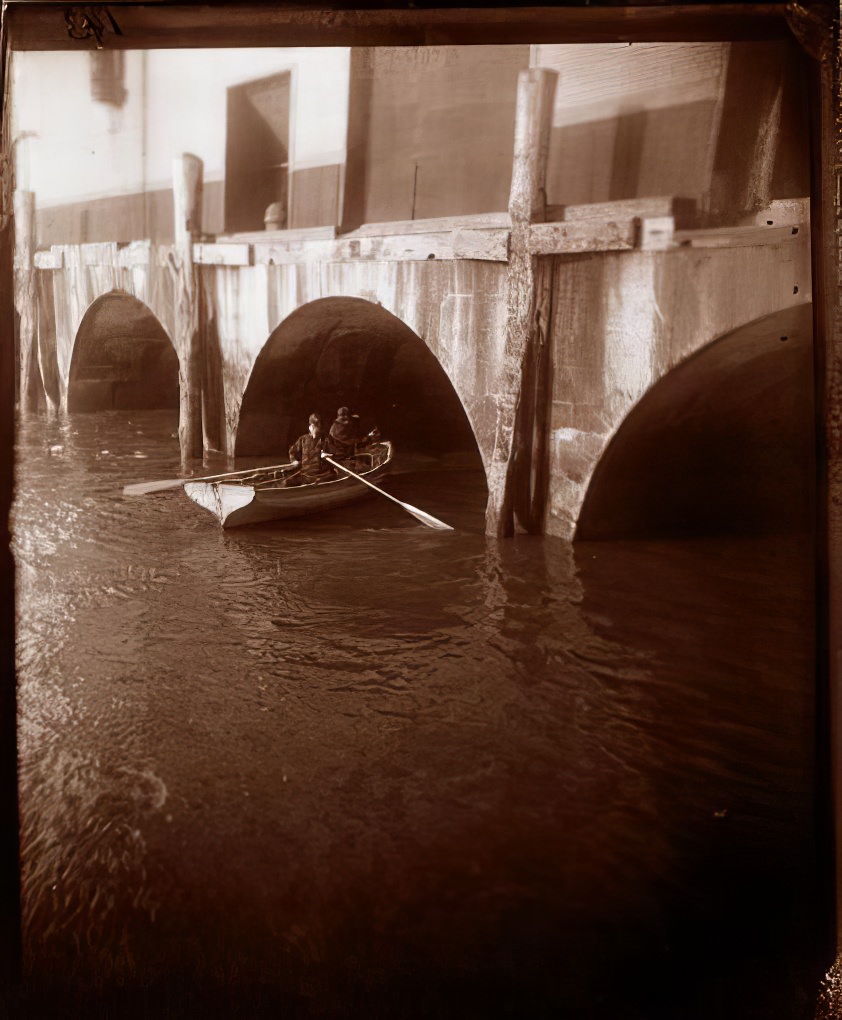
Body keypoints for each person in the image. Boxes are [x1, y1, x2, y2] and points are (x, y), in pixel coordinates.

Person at [288, 413, 332, 483]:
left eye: (318, 425)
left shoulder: (325, 439)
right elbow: (292, 451)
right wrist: (293, 461)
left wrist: (328, 455)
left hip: (320, 474)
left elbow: (334, 454)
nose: (316, 428)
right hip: (305, 473)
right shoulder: (303, 439)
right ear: (310, 426)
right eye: (314, 425)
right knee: (287, 482)